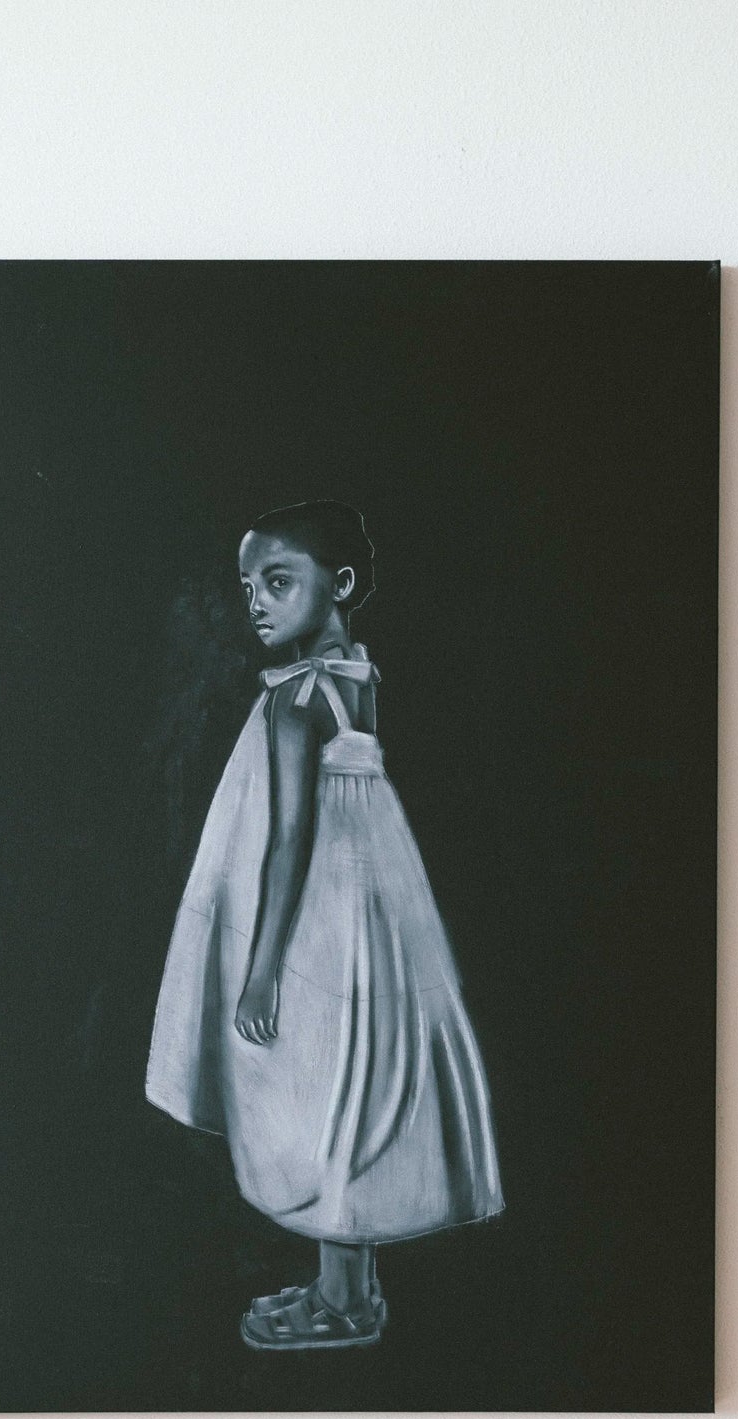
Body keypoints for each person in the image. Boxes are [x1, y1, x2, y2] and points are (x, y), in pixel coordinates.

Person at [146, 500, 502, 1349]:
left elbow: (288, 839)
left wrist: (262, 969)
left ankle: (345, 1301)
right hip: (373, 911)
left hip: (319, 926)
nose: (256, 605)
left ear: (338, 583)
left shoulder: (298, 699)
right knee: (354, 1079)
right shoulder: (356, 676)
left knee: (323, 1088)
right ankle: (347, 1290)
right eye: (248, 587)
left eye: (278, 582)